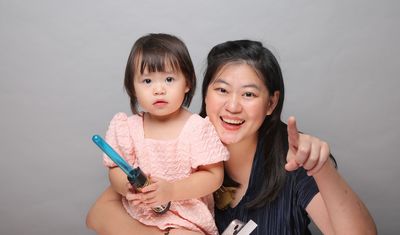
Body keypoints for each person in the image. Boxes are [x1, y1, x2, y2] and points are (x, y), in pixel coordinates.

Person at [87, 39, 377, 235]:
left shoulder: (291, 157)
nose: (233, 106)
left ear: (271, 104)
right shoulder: (181, 143)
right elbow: (100, 213)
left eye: (249, 94)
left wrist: (321, 169)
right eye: (222, 90)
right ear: (203, 93)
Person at [99, 33, 229, 235]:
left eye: (169, 79)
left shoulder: (197, 128)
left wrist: (172, 190)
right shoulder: (129, 128)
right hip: (137, 212)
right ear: (133, 88)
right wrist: (126, 186)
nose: (159, 89)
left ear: (187, 83)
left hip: (185, 218)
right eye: (147, 81)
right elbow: (116, 168)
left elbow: (214, 176)